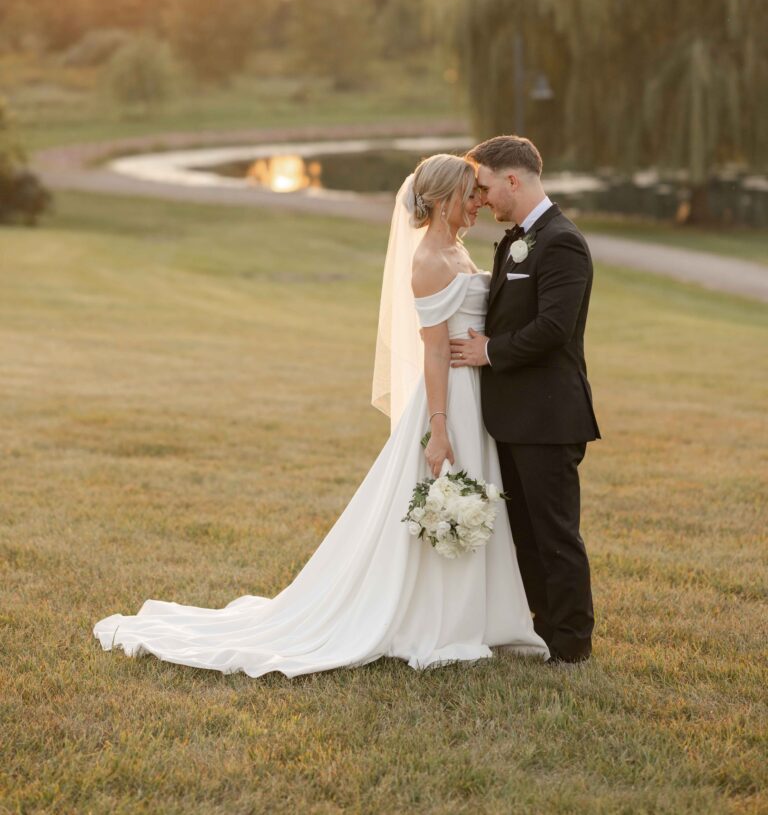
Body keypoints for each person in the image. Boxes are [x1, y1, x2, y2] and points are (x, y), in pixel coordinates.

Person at [93, 154, 548, 678]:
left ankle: (479, 616)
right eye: (470, 194)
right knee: (446, 498)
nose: (478, 203)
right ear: (445, 200)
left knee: (474, 498)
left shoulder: (457, 249)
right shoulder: (428, 261)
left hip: (475, 391)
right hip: (450, 400)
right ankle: (438, 620)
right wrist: (440, 426)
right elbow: (433, 350)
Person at [449, 135, 600, 664]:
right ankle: (544, 632)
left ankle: (572, 645)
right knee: (526, 537)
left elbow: (554, 328)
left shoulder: (561, 241)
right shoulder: (516, 239)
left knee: (555, 534)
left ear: (512, 179)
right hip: (513, 417)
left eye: (486, 186)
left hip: (549, 415)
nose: (482, 197)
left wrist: (489, 351)